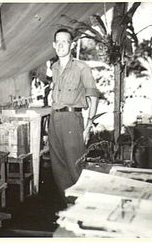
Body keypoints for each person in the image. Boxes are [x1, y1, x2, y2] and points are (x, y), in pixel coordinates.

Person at [49, 28, 100, 199]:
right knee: (58, 166)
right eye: (59, 42)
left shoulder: (81, 68)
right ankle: (69, 205)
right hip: (54, 118)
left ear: (72, 45)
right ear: (54, 45)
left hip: (72, 119)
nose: (62, 45)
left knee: (75, 165)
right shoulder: (54, 67)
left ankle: (85, 206)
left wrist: (88, 126)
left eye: (66, 41)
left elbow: (93, 98)